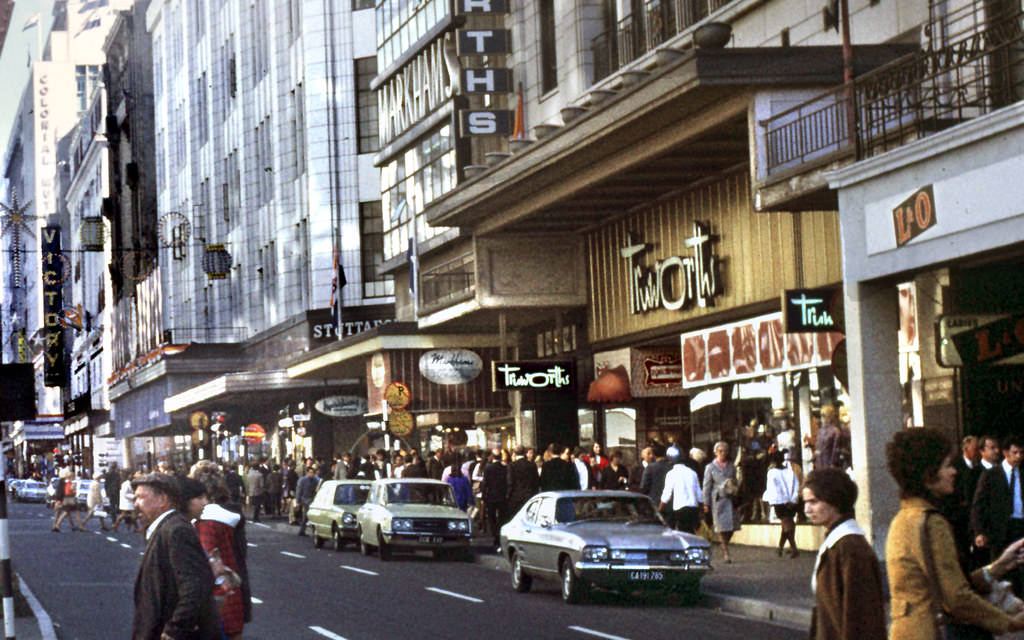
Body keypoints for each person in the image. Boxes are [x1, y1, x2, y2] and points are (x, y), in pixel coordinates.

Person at [887, 428, 1024, 639]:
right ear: (928, 474)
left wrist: (998, 566)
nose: (954, 471)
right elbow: (956, 596)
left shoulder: (903, 519)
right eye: (947, 466)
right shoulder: (931, 523)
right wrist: (1010, 623)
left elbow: (950, 583)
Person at [131, 472, 218, 640]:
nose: (136, 504)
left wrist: (175, 629)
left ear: (162, 499)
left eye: (141, 497)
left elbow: (194, 585)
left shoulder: (176, 530)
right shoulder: (163, 528)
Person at [802, 467, 886, 640]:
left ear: (834, 500)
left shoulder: (850, 548)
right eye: (805, 502)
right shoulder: (837, 543)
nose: (807, 509)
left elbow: (861, 620)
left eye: (814, 501)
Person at [184, 468, 250, 640]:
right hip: (233, 590)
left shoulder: (206, 522)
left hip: (217, 597)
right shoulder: (231, 516)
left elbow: (208, 561)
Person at [971, 434, 1024, 596]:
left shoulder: (1022, 473)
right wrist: (979, 531)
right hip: (999, 531)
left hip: (1020, 527)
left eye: (1021, 452)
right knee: (1001, 571)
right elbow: (979, 505)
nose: (1019, 456)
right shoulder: (992, 474)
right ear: (1005, 453)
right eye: (1015, 452)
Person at [702, 441, 740, 563]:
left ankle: (724, 544)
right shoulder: (710, 467)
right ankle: (725, 550)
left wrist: (734, 485)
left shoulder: (731, 466)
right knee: (720, 526)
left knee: (732, 527)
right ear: (715, 452)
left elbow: (737, 482)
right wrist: (706, 503)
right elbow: (706, 486)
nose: (723, 453)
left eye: (725, 451)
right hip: (718, 500)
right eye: (720, 451)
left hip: (730, 499)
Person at [764, 450, 800, 558]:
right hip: (791, 501)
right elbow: (796, 486)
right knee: (788, 523)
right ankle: (780, 548)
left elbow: (774, 489)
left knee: (786, 523)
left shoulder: (772, 473)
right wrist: (793, 499)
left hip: (779, 501)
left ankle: (793, 548)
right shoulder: (790, 472)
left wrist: (784, 500)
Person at [659, 454, 702, 533]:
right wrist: (702, 509)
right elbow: (699, 493)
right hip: (693, 507)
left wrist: (660, 509)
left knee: (683, 532)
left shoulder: (671, 474)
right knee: (692, 531)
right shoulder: (692, 472)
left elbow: (667, 494)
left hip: (680, 508)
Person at [481, 453, 510, 548]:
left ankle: (494, 534)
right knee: (502, 517)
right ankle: (499, 533)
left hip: (491, 496)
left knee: (491, 517)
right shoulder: (505, 468)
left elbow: (485, 483)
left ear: (493, 457)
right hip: (502, 495)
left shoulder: (488, 468)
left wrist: (484, 496)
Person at [507, 446, 540, 517]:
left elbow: (510, 482)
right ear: (524, 453)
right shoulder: (532, 465)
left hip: (516, 497)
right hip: (529, 496)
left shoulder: (512, 465)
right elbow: (536, 481)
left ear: (514, 453)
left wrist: (508, 496)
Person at [52, 468, 84, 532]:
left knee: (68, 513)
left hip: (66, 499)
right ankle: (57, 525)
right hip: (69, 499)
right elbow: (64, 491)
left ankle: (77, 526)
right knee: (65, 513)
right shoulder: (67, 482)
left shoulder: (64, 481)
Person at [294, 466, 320, 536]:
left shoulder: (316, 480)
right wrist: (298, 501)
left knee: (309, 516)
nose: (312, 474)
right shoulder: (302, 480)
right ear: (307, 473)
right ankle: (302, 530)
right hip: (305, 499)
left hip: (312, 499)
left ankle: (307, 530)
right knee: (305, 515)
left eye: (313, 473)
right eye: (310, 472)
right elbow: (299, 491)